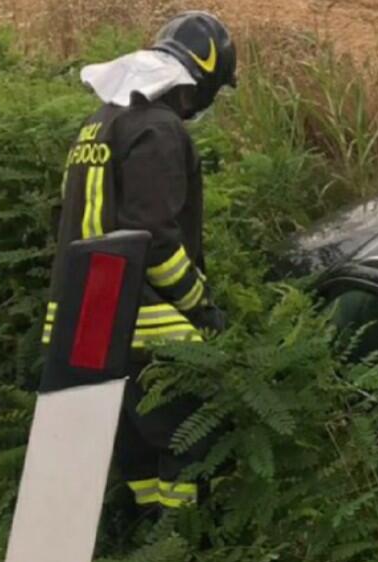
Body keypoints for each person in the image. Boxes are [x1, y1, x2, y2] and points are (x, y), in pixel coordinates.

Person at [42, 11, 237, 509]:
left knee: (131, 446)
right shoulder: (160, 129)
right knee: (187, 443)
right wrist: (201, 306)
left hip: (80, 321)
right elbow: (153, 239)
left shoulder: (101, 121)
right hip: (142, 325)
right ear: (203, 78)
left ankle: (138, 538)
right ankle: (177, 551)